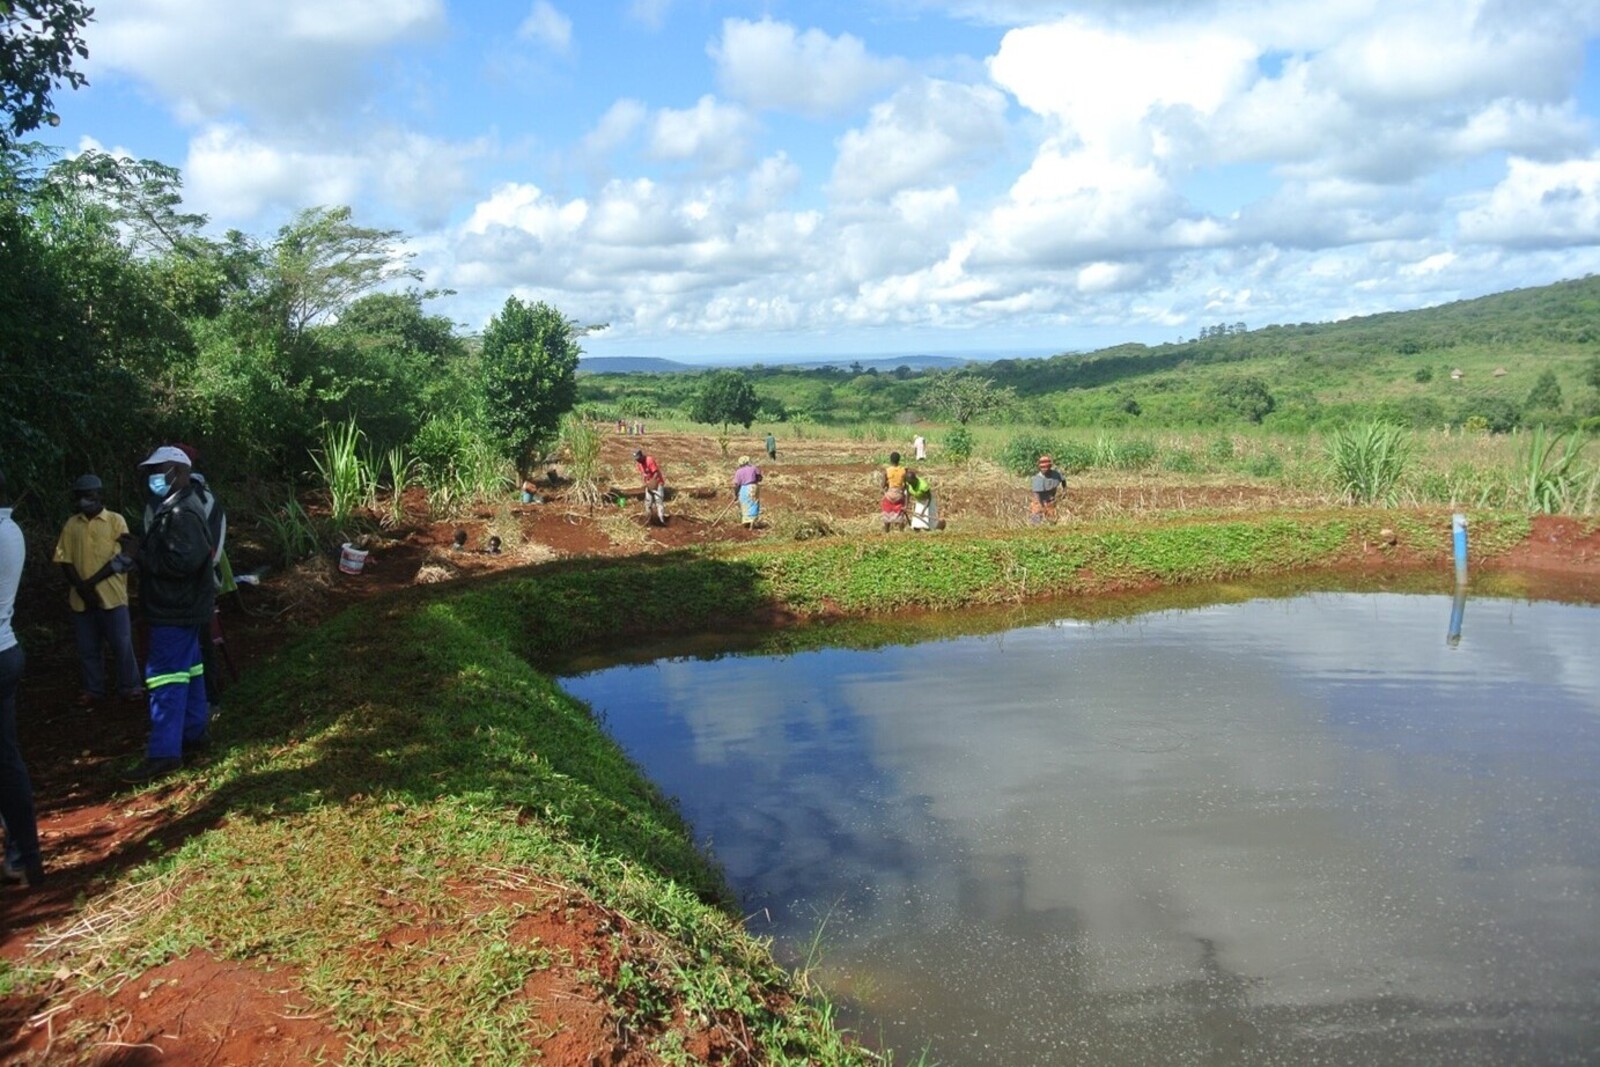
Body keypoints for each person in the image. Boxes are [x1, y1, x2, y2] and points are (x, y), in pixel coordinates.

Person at [125, 446, 216, 782]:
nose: (153, 478)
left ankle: (164, 753)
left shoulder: (181, 514)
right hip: (183, 608)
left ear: (178, 471)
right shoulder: (178, 507)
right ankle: (194, 734)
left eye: (158, 470)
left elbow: (182, 562)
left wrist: (140, 555)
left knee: (164, 677)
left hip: (173, 609)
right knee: (189, 672)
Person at [53, 474, 142, 708]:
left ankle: (130, 686)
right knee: (88, 649)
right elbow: (64, 560)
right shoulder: (72, 525)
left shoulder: (116, 521)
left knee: (122, 646)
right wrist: (82, 589)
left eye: (89, 496)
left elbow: (123, 557)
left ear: (100, 495)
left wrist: (90, 583)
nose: (85, 500)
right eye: (81, 497)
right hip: (82, 601)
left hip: (113, 597)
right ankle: (94, 689)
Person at [0, 470, 44, 888]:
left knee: (6, 762)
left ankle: (24, 854)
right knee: (6, 760)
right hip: (6, 651)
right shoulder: (10, 530)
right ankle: (23, 855)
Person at [1029, 454, 1066, 524]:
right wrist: (1043, 506)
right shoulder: (1037, 479)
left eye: (1047, 467)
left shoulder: (1055, 475)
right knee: (1036, 515)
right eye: (1043, 467)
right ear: (1040, 467)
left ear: (1050, 466)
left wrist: (1064, 491)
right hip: (1040, 501)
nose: (1045, 469)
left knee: (1052, 519)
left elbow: (1063, 480)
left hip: (1051, 500)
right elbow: (1037, 497)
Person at [635, 449, 666, 525]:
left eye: (639, 459)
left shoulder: (649, 460)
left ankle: (661, 520)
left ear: (642, 456)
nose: (638, 461)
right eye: (636, 459)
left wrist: (652, 484)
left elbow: (656, 473)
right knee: (648, 502)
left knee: (658, 501)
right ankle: (649, 519)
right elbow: (643, 474)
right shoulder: (639, 464)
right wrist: (645, 483)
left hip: (657, 483)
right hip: (649, 484)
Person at [880, 451, 908, 532]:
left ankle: (886, 531)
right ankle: (901, 532)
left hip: (889, 495)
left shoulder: (887, 471)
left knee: (887, 514)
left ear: (890, 460)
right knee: (900, 515)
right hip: (899, 495)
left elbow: (882, 485)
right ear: (899, 460)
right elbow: (905, 485)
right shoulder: (903, 470)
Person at [733, 455, 762, 528]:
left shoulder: (738, 471)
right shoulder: (753, 468)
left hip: (743, 489)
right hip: (753, 487)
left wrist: (736, 495)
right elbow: (760, 478)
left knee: (744, 504)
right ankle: (752, 521)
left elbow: (736, 485)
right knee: (754, 503)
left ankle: (746, 522)